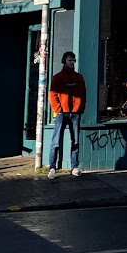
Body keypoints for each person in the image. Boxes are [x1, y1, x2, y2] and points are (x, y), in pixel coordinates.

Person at [48, 51, 86, 179]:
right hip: (62, 113)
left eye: (74, 60)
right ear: (64, 61)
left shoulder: (79, 77)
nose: (72, 63)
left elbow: (83, 93)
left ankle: (74, 166)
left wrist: (80, 108)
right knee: (56, 141)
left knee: (75, 140)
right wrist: (58, 109)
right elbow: (52, 94)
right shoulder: (58, 77)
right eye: (70, 60)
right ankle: (52, 167)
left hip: (75, 113)